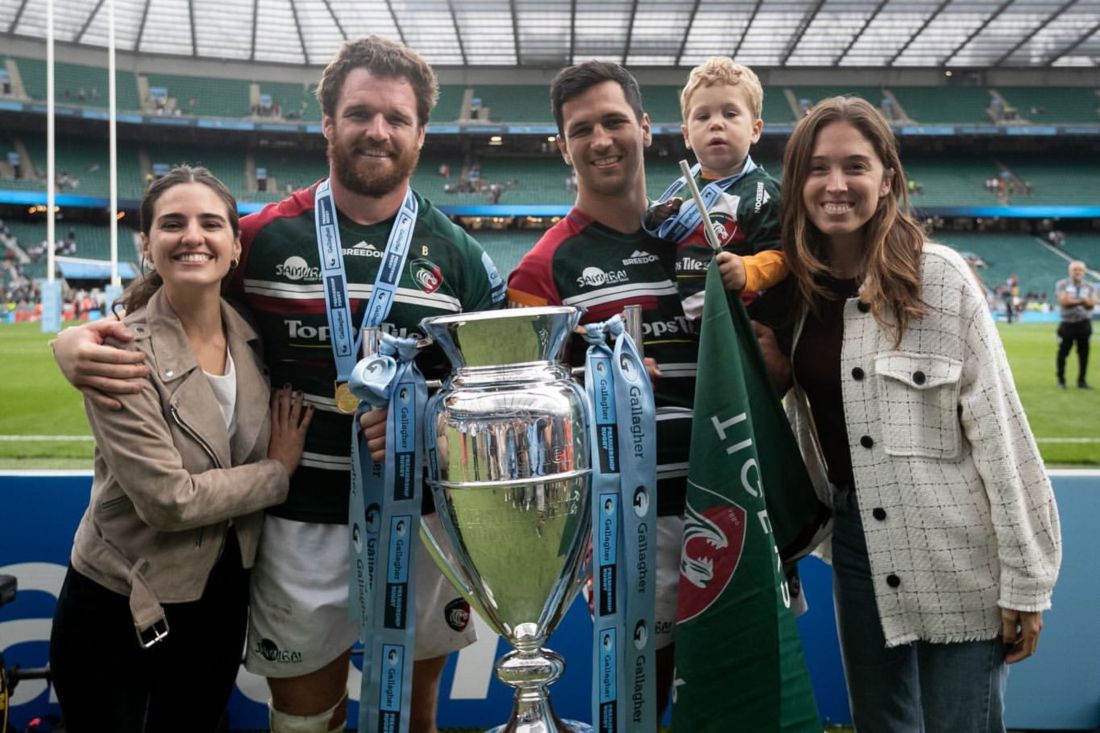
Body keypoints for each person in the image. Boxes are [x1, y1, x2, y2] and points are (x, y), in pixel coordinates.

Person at [50, 36, 506, 733]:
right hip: (297, 521)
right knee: (303, 720)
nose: (376, 130)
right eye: (359, 113)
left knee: (415, 718)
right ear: (328, 124)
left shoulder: (459, 254)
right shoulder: (262, 236)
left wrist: (436, 418)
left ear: (420, 133)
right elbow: (170, 297)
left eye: (396, 117)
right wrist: (74, 338)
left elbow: (495, 383)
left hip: (422, 520)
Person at [775, 96, 1061, 731]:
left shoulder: (942, 279)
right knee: (880, 721)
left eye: (856, 165)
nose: (836, 184)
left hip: (956, 548)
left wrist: (1025, 583)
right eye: (818, 168)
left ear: (888, 179)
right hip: (854, 543)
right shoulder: (795, 292)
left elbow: (1002, 434)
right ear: (797, 183)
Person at [48, 166, 313, 732]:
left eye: (210, 223)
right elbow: (169, 501)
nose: (193, 235)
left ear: (235, 246)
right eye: (172, 223)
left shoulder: (253, 336)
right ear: (146, 245)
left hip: (219, 600)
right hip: (118, 603)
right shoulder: (117, 353)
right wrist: (277, 471)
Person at [507, 60, 699, 720]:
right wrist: (594, 384)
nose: (601, 139)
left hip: (731, 501)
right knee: (641, 701)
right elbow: (529, 410)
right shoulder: (542, 268)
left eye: (615, 121)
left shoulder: (701, 238)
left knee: (737, 693)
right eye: (580, 128)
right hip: (634, 526)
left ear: (646, 128)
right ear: (563, 146)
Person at [643, 57, 785, 322]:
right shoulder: (682, 187)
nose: (716, 123)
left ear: (755, 130)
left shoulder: (763, 190)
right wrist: (655, 217)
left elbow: (783, 255)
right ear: (686, 135)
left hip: (739, 322)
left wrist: (748, 270)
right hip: (683, 326)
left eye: (730, 114)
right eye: (703, 116)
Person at [1055, 259, 1095, 389]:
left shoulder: (1090, 286)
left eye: (1080, 269)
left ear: (1084, 272)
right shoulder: (1061, 284)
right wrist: (1083, 300)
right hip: (1067, 324)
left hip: (1084, 324)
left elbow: (1091, 304)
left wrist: (1074, 300)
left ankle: (1081, 381)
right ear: (1069, 271)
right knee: (1062, 353)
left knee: (1084, 354)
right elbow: (1064, 302)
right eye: (1074, 269)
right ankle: (1061, 380)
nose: (1077, 272)